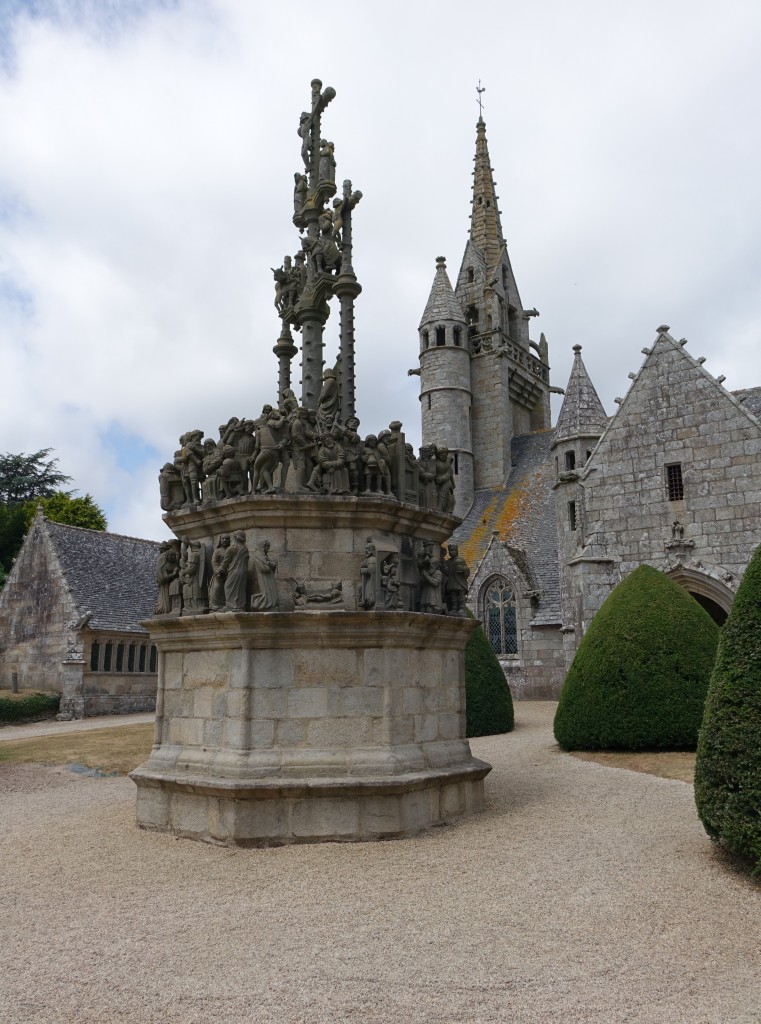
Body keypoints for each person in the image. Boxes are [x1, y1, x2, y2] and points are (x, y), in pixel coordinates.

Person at [251, 540, 278, 610]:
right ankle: (256, 604)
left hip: (269, 577)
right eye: (267, 546)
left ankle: (271, 605)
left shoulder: (265, 555)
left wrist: (272, 564)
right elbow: (264, 569)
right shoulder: (258, 556)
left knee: (271, 594)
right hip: (263, 577)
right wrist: (271, 564)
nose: (269, 548)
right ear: (263, 546)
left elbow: (268, 566)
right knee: (265, 594)